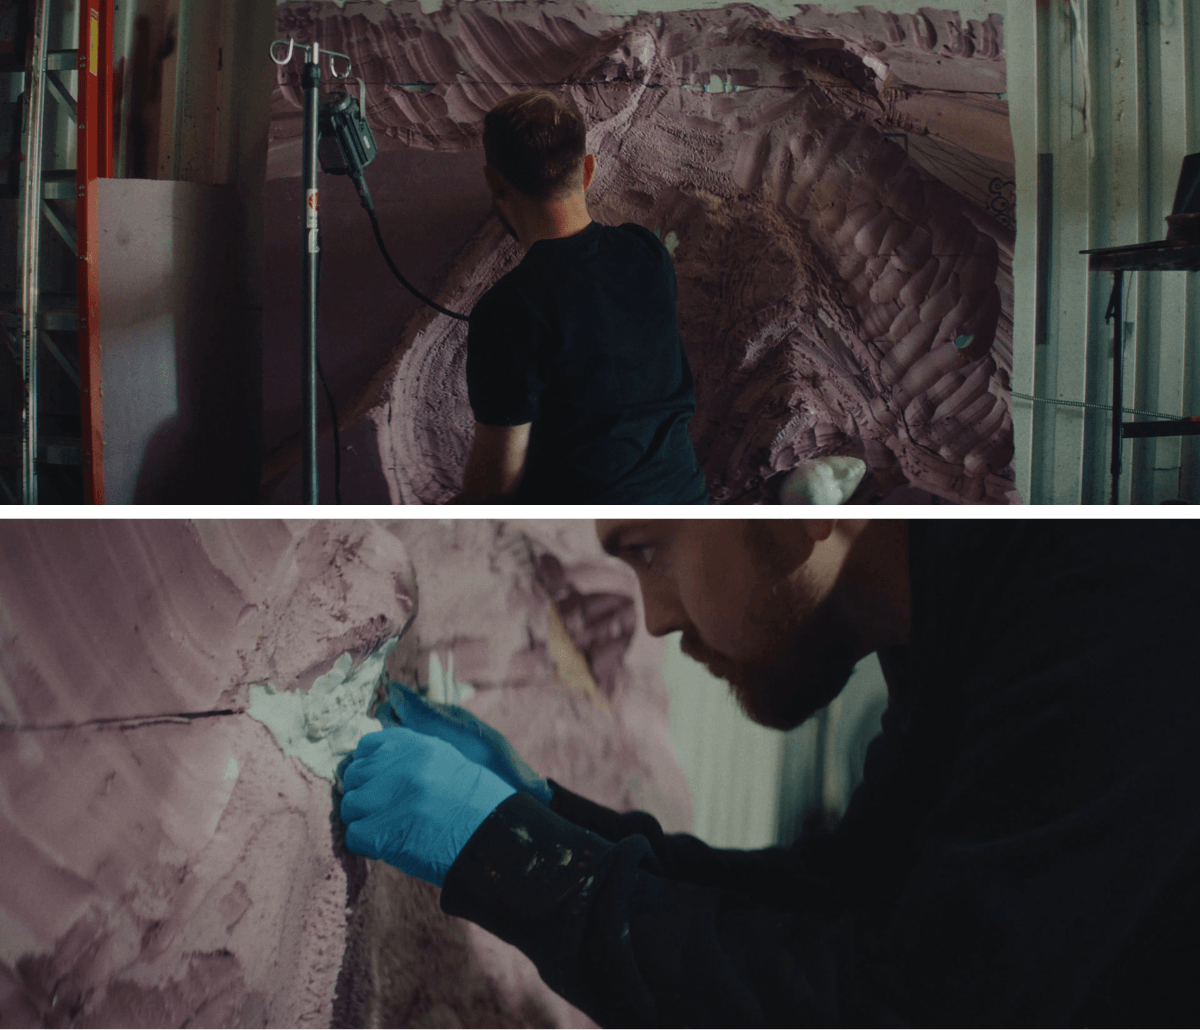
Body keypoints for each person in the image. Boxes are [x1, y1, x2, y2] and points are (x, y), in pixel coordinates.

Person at [340, 519, 1200, 1025]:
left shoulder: (1116, 604)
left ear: (805, 494)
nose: (656, 618)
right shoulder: (968, 611)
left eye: (652, 549)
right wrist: (547, 816)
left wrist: (516, 857)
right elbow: (852, 895)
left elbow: (900, 1006)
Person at [450, 90, 709, 504]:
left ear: (494, 183)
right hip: (685, 498)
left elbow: (495, 483)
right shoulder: (645, 252)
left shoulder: (508, 310)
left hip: (592, 532)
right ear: (588, 170)